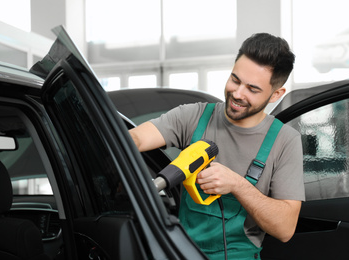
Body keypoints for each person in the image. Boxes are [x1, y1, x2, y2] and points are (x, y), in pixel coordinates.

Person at [129, 33, 305, 260]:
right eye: (235, 79)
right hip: (182, 253)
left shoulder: (285, 141)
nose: (238, 93)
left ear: (276, 95)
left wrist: (237, 185)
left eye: (252, 89)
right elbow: (135, 139)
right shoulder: (192, 117)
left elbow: (285, 229)